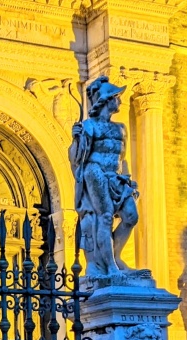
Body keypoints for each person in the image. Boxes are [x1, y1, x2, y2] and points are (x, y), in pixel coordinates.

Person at [70, 76, 139, 277]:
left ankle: (115, 257)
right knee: (106, 216)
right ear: (105, 100)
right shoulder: (89, 126)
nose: (119, 100)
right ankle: (109, 267)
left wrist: (126, 177)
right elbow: (77, 158)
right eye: (116, 97)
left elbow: (122, 156)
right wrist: (76, 138)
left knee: (131, 217)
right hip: (95, 171)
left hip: (114, 176)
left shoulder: (121, 129)